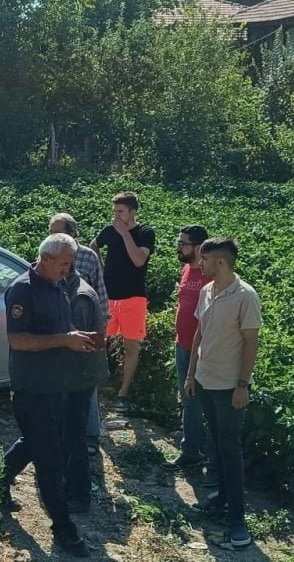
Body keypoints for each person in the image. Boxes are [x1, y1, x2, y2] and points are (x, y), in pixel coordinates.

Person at [0, 233, 99, 558]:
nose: (68, 271)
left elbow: (61, 330)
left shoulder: (57, 284)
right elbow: (18, 341)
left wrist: (80, 341)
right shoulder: (23, 289)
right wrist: (63, 340)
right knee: (50, 458)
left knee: (37, 441)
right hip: (32, 387)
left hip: (57, 384)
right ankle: (63, 527)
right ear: (45, 259)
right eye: (65, 264)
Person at [183, 236, 261, 550]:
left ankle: (237, 521)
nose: (199, 264)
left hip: (230, 387)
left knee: (229, 450)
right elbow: (199, 333)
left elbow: (251, 343)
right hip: (204, 380)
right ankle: (220, 501)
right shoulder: (206, 290)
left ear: (220, 262)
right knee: (216, 444)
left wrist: (242, 385)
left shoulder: (246, 296)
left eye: (204, 259)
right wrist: (191, 374)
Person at [48, 213, 109, 455]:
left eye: (57, 232)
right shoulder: (48, 254)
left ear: (72, 234)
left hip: (85, 326)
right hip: (60, 329)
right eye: (51, 232)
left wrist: (102, 331)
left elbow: (101, 294)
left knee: (86, 382)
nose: (53, 237)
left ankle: (91, 436)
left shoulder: (88, 256)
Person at [162, 225, 217, 487]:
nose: (179, 248)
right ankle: (191, 451)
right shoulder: (187, 270)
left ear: (198, 246)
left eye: (183, 244)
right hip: (182, 345)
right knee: (189, 399)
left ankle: (211, 459)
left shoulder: (211, 276)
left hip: (205, 350)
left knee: (207, 403)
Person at [92, 192, 154, 414]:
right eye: (115, 211)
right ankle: (96, 386)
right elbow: (93, 246)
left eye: (120, 211)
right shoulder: (109, 231)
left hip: (133, 297)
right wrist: (100, 268)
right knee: (100, 339)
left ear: (132, 212)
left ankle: (123, 392)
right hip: (108, 295)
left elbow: (139, 260)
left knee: (131, 346)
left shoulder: (145, 233)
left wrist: (125, 234)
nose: (116, 216)